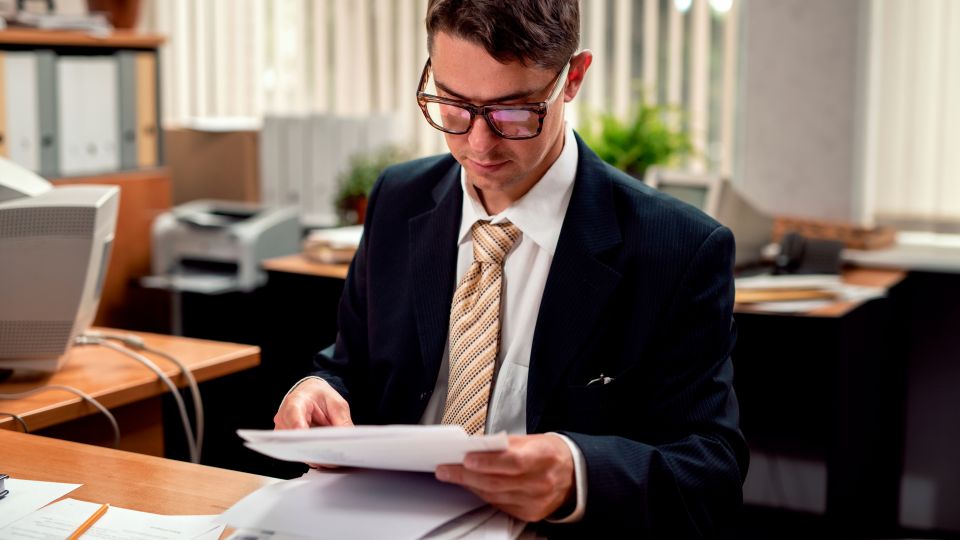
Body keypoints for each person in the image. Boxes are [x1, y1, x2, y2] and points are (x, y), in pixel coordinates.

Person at [274, 0, 748, 536]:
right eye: (452, 104)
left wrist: (577, 473)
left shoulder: (677, 247)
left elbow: (710, 472)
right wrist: (317, 388)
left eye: (513, 112)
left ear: (572, 78)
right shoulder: (398, 198)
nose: (477, 143)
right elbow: (352, 365)